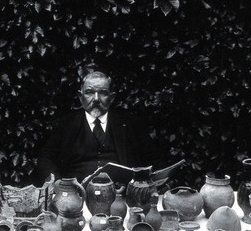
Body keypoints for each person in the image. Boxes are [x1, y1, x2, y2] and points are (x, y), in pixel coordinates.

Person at [35, 71, 165, 183]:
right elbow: (45, 159)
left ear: (112, 97)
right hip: (76, 197)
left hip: (121, 197)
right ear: (81, 97)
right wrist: (59, 184)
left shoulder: (130, 123)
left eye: (103, 93)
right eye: (89, 92)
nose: (96, 99)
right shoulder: (66, 125)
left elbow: (153, 159)